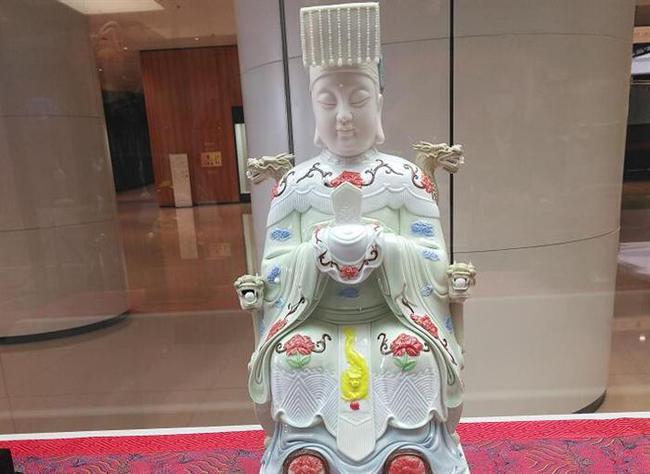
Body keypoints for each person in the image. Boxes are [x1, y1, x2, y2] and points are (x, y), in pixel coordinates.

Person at [239, 3, 472, 473]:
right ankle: (305, 449)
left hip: (396, 313)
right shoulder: (296, 185)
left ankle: (411, 450)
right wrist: (317, 251)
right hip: (313, 314)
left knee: (411, 357)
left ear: (379, 105)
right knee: (294, 358)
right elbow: (273, 267)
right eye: (328, 102)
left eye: (359, 100)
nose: (344, 116)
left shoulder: (406, 180)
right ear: (312, 109)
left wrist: (384, 248)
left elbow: (433, 258)